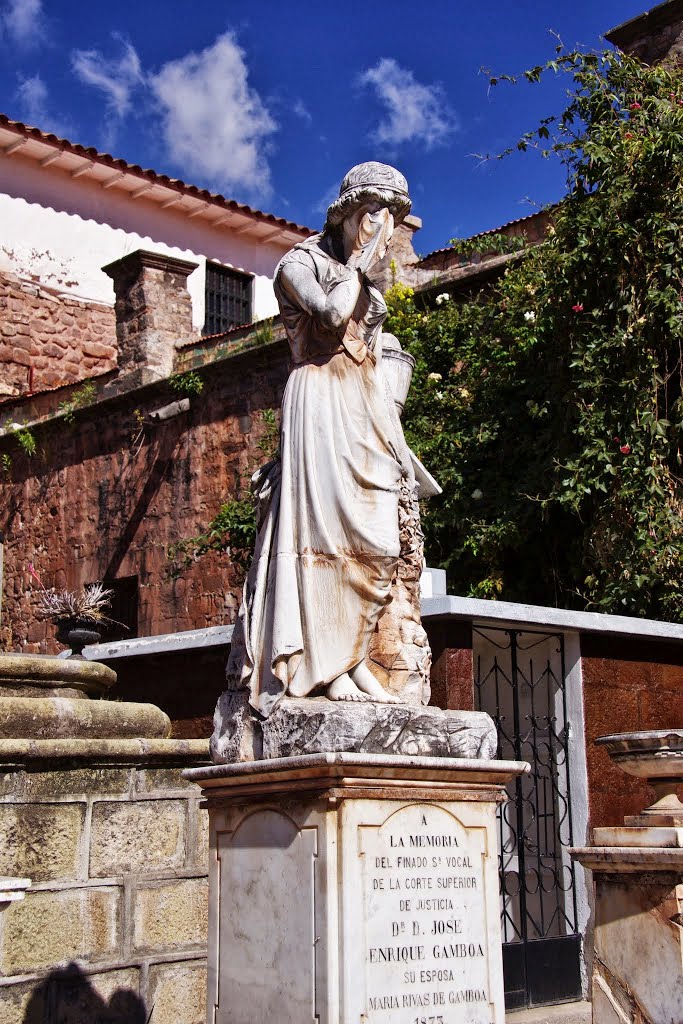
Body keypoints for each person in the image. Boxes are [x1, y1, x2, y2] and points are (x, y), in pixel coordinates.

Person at [226, 162, 415, 718]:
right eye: (375, 215)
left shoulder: (362, 270)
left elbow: (375, 344)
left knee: (376, 538)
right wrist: (360, 265)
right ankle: (326, 669)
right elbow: (332, 314)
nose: (383, 229)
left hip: (360, 396)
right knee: (323, 537)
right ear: (349, 211)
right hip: (317, 395)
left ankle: (353, 657)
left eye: (393, 218)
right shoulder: (298, 265)